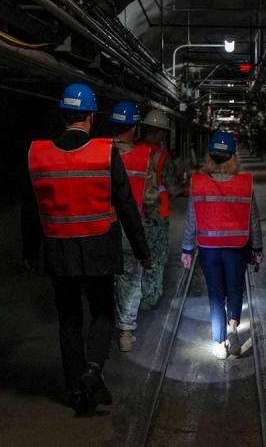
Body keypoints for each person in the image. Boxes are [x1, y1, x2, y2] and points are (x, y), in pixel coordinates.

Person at [21, 83, 151, 415]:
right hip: (99, 247)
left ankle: (76, 392)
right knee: (103, 312)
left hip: (58, 250)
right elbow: (125, 206)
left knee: (69, 320)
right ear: (91, 117)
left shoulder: (37, 154)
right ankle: (93, 369)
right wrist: (141, 249)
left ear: (63, 115)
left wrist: (29, 252)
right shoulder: (104, 153)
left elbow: (30, 209)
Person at [180, 131, 264, 359]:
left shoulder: (197, 184)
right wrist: (257, 248)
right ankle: (233, 332)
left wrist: (187, 249)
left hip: (208, 248)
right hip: (236, 248)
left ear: (209, 156)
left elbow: (191, 219)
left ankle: (219, 343)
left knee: (216, 295)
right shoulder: (244, 184)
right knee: (235, 289)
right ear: (232, 157)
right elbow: (253, 219)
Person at [109, 101, 159, 352]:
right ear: (134, 127)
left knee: (105, 277)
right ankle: (126, 332)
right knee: (130, 279)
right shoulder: (143, 157)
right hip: (132, 229)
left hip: (101, 228)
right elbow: (151, 199)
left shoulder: (98, 153)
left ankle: (102, 325)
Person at [137, 110, 185, 309]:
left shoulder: (133, 150)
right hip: (157, 214)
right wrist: (187, 187)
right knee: (155, 257)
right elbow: (172, 188)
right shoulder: (161, 157)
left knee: (134, 256)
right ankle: (150, 297)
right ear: (159, 133)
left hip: (131, 213)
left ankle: (132, 297)